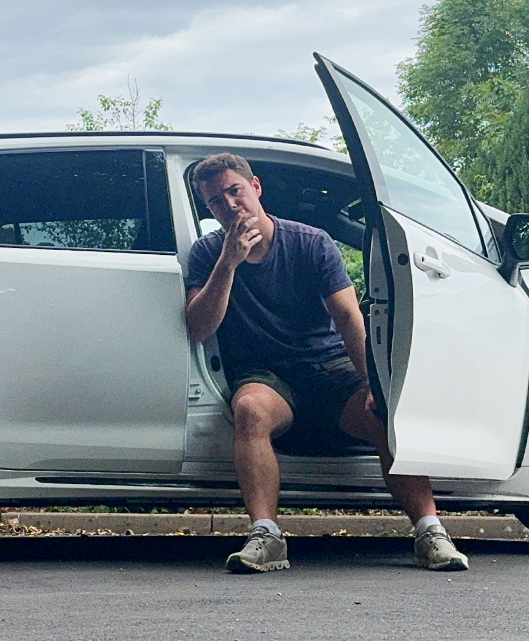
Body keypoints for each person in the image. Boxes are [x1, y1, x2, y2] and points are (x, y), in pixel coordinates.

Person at [184, 152, 470, 574]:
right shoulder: (207, 253)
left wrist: (375, 383)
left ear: (255, 187)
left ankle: (431, 532)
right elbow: (199, 327)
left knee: (384, 415)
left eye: (235, 191)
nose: (229, 206)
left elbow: (349, 317)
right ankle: (267, 536)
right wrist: (228, 262)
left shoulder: (310, 241)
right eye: (215, 201)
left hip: (329, 367)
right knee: (249, 410)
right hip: (267, 377)